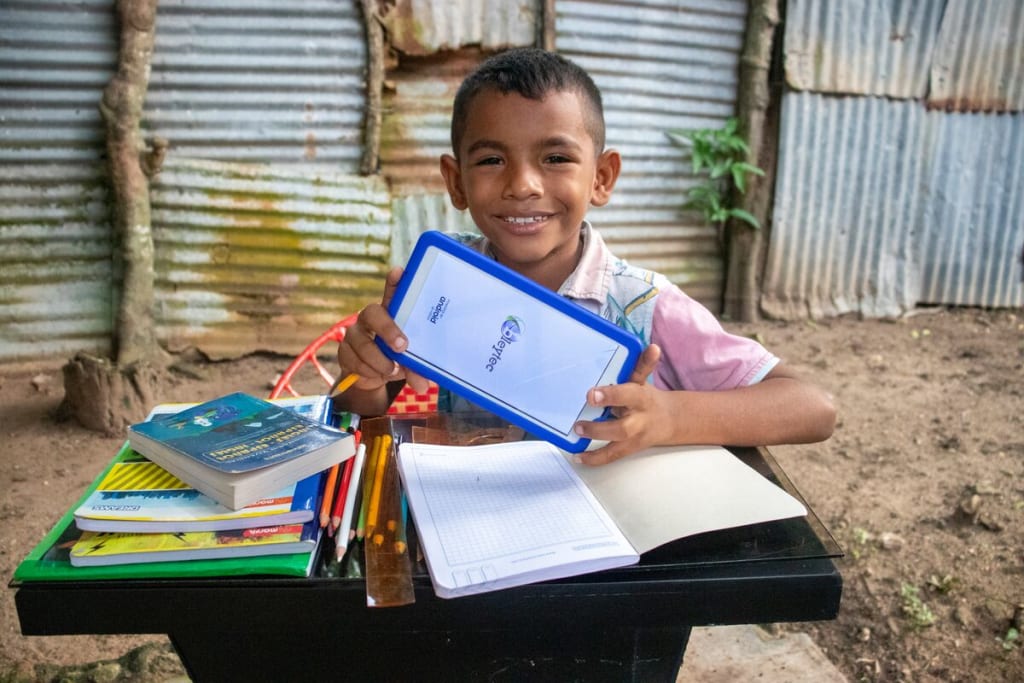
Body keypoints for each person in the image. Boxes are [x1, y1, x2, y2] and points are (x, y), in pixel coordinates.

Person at [336, 47, 835, 465]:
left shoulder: (644, 304)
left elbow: (813, 408)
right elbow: (361, 413)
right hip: (477, 535)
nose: (523, 185)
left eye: (555, 158)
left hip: (616, 554)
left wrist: (670, 416)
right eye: (491, 160)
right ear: (455, 181)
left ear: (601, 177)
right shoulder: (445, 286)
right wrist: (366, 374)